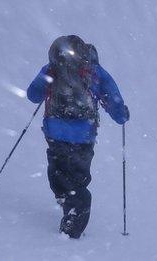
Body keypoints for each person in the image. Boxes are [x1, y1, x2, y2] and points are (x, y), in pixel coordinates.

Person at [26, 35, 129, 238]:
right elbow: (113, 100)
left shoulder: (52, 68)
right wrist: (121, 114)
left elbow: (32, 95)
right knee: (78, 176)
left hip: (55, 132)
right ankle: (73, 218)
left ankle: (65, 198)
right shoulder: (95, 72)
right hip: (83, 135)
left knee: (58, 171)